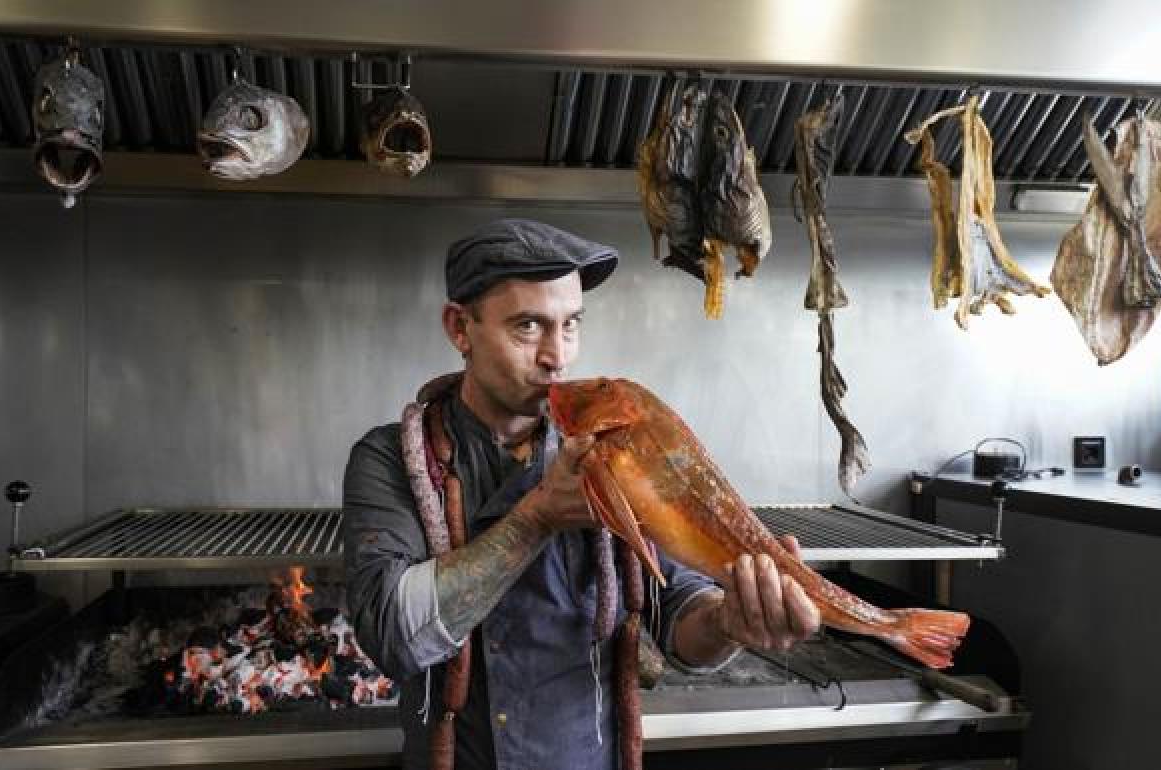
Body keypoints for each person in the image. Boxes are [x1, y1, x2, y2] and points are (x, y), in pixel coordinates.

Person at [342, 218, 819, 770]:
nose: (557, 356)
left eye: (571, 325)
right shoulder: (393, 458)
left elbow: (681, 610)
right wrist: (536, 518)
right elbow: (394, 635)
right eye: (528, 327)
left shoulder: (614, 446)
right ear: (460, 328)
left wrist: (729, 624)